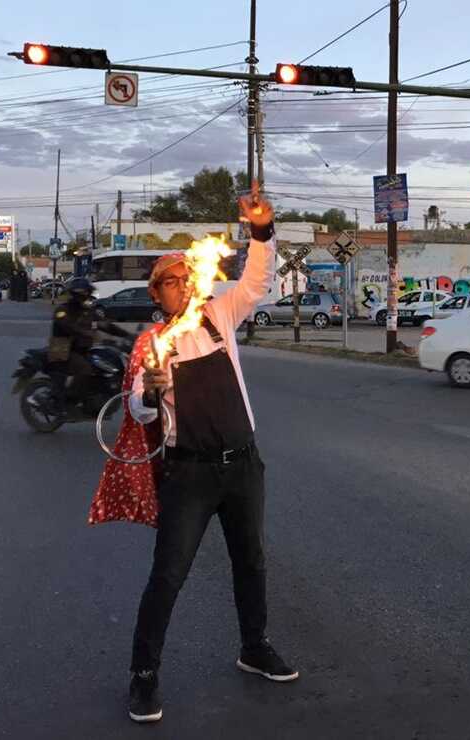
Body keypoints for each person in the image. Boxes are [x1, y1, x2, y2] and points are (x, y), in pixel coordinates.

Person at [87, 183, 293, 725]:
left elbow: (258, 278)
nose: (183, 284)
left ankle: (254, 647)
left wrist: (261, 229)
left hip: (243, 465)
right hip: (190, 475)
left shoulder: (220, 315)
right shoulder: (152, 345)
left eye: (186, 276)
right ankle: (144, 675)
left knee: (251, 562)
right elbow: (139, 411)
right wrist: (151, 392)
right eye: (172, 280)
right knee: (168, 576)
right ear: (157, 294)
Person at [46, 278, 130, 416]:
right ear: (73, 294)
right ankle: (67, 401)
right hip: (63, 351)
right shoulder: (63, 310)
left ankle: (91, 397)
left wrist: (127, 335)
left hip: (82, 350)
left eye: (86, 293)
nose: (83, 297)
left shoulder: (88, 311)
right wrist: (86, 332)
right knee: (85, 369)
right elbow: (68, 326)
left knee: (101, 365)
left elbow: (105, 325)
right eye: (80, 294)